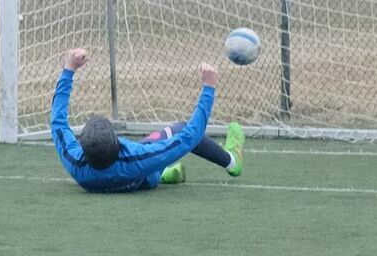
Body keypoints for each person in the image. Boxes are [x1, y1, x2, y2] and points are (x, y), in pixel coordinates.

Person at [52, 48, 245, 193]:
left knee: (158, 156)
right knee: (180, 128)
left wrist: (69, 68)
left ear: (83, 150)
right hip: (144, 175)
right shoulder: (138, 158)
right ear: (117, 144)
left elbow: (58, 123)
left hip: (131, 180)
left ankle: (166, 173)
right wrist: (209, 87)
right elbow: (189, 137)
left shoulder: (76, 164)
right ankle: (232, 161)